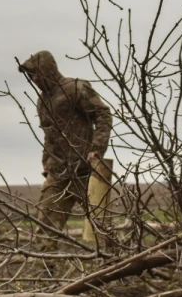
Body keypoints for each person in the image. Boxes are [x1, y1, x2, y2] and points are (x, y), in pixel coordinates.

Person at [18, 50, 113, 239]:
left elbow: (102, 114)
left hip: (86, 170)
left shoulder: (76, 88)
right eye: (31, 75)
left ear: (48, 70)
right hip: (59, 172)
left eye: (36, 73)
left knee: (101, 228)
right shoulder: (43, 100)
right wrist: (48, 166)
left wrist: (96, 149)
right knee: (45, 228)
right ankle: (46, 267)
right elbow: (49, 136)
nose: (34, 79)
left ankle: (115, 263)